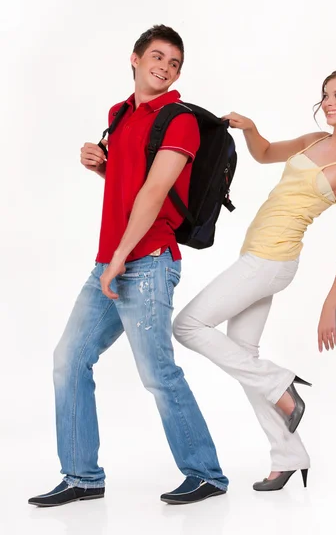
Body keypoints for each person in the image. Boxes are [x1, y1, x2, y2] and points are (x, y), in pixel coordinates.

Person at [28, 25, 228, 508]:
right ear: (135, 59)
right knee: (68, 361)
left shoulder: (180, 120)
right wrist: (102, 165)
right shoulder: (119, 114)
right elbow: (130, 185)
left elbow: (156, 192)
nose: (165, 67)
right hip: (111, 262)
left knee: (158, 372)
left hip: (148, 262)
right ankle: (82, 476)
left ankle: (206, 474)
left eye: (174, 63)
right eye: (157, 57)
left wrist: (119, 259)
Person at [173, 69, 336, 491]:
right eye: (324, 95)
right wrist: (250, 129)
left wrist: (329, 305)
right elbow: (264, 153)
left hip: (271, 261)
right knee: (243, 353)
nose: (329, 103)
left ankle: (279, 383)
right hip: (256, 255)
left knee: (188, 326)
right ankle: (288, 455)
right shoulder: (313, 140)